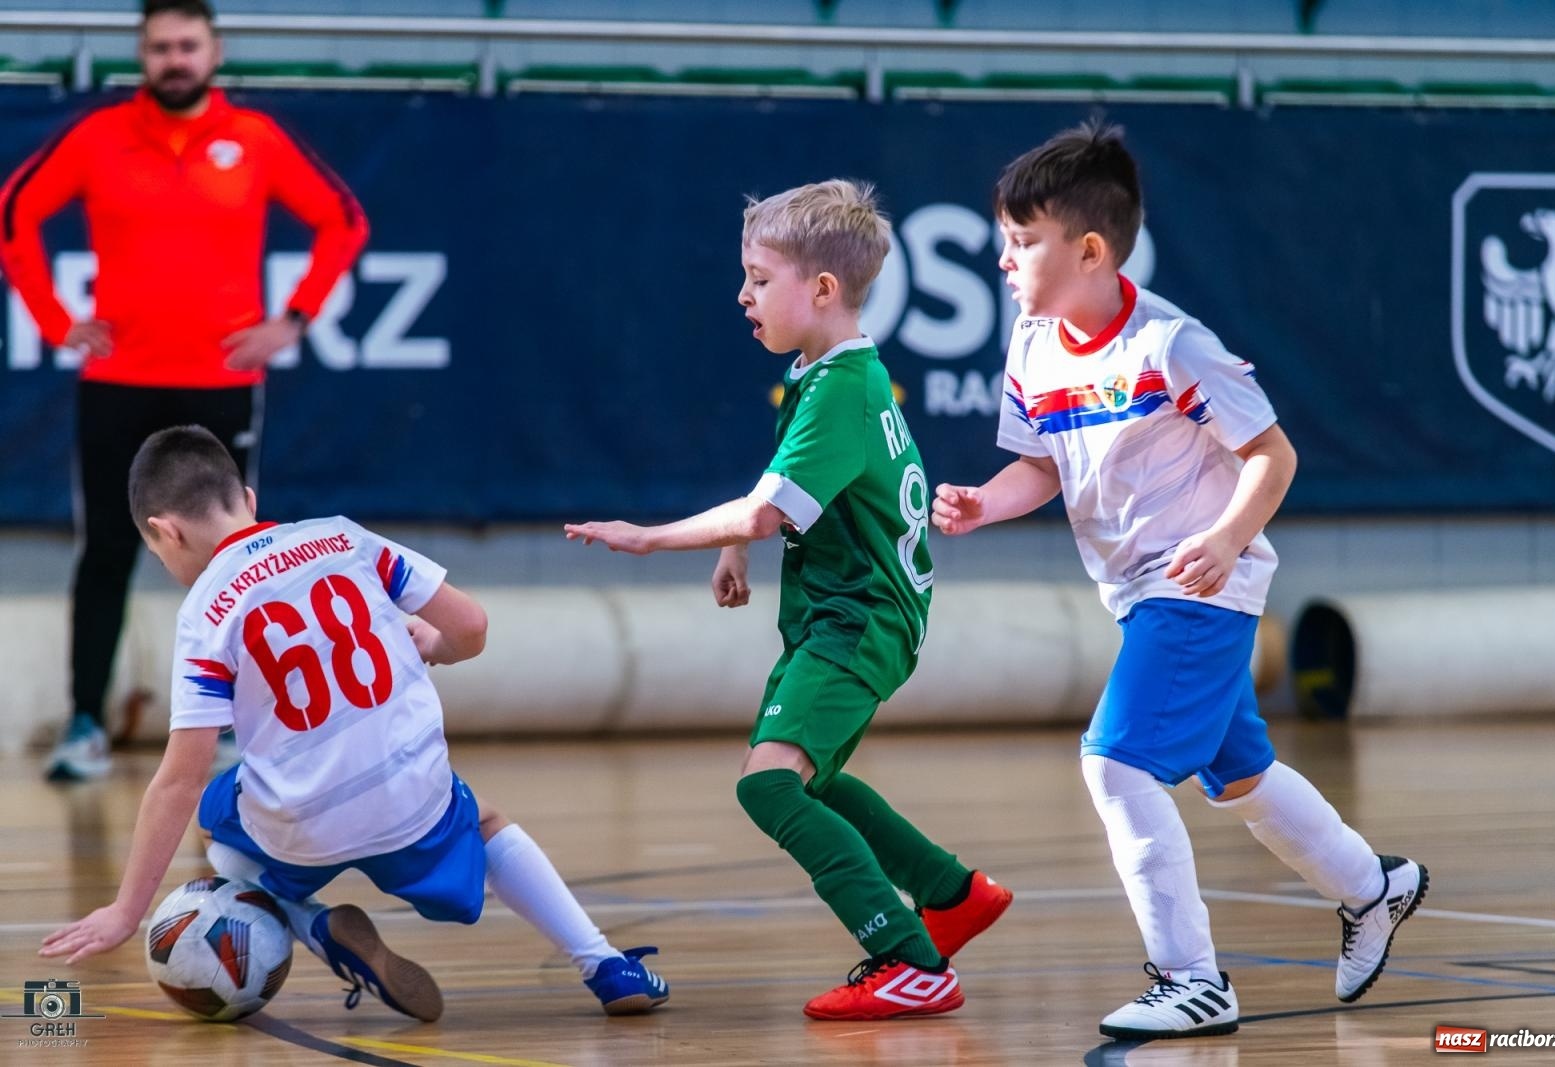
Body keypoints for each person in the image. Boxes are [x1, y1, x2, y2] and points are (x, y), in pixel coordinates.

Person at [931, 122, 1427, 1040]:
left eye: (1020, 240)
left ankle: (1191, 977)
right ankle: (1374, 885)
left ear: (1088, 249)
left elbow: (1272, 455)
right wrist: (982, 505)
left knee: (1114, 762)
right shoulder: (1033, 346)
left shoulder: (1174, 345)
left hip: (1197, 585)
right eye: (1001, 239)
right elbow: (1039, 466)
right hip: (1138, 593)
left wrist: (1230, 539)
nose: (1001, 260)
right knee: (1238, 771)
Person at [565, 179, 1012, 1021]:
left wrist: (649, 536)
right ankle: (951, 893)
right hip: (846, 614)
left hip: (859, 619)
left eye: (758, 278)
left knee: (768, 786)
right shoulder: (822, 373)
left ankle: (910, 960)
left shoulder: (840, 388)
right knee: (818, 777)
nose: (742, 294)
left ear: (822, 289)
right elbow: (782, 492)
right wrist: (734, 541)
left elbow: (771, 509)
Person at [38, 426, 669, 1021]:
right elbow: (471, 628)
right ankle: (605, 965)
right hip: (413, 800)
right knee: (485, 822)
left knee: (214, 821)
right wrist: (431, 645)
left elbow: (179, 777)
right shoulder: (344, 539)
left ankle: (316, 926)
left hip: (298, 824)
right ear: (248, 499)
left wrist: (127, 911)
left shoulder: (205, 611)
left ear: (164, 532)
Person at [0, 0, 369, 782]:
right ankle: (86, 722)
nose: (175, 59)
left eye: (187, 45)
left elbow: (343, 222)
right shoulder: (99, 137)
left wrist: (293, 318)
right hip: (117, 382)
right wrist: (51, 316)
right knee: (105, 549)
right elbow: (14, 211)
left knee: (238, 556)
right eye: (160, 46)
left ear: (214, 51)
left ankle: (244, 725)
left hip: (221, 382)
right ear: (142, 55)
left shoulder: (256, 140)